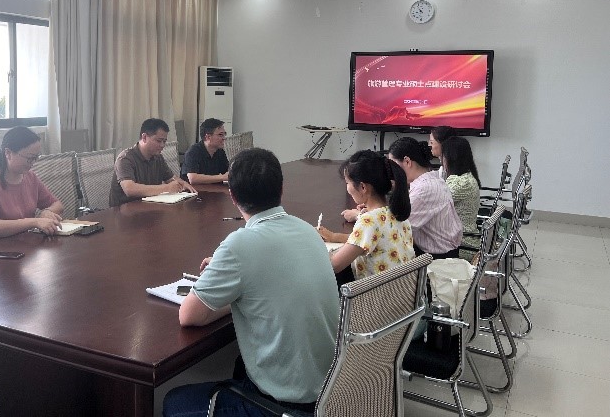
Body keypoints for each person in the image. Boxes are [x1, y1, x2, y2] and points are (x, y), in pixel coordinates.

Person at [162, 148, 339, 417]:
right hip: (330, 391)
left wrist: (233, 284)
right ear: (281, 189)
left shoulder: (239, 245)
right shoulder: (308, 231)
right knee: (237, 364)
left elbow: (189, 315)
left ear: (232, 196)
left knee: (174, 402)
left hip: (285, 405)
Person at [317, 150, 415, 278]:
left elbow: (333, 266)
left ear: (363, 187)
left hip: (376, 290)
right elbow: (368, 240)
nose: (347, 188)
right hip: (402, 288)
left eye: (347, 183)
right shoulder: (397, 212)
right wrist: (334, 237)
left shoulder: (368, 221)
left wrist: (312, 245)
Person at [0, 126, 64, 237]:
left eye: (35, 157)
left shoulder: (30, 177)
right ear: (8, 153)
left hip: (24, 240)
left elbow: (57, 205)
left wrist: (48, 211)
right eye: (29, 158)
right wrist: (34, 222)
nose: (33, 163)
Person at [388, 137, 462, 259]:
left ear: (407, 162)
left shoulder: (424, 190)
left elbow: (394, 227)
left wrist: (360, 215)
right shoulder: (432, 179)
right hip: (442, 252)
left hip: (435, 261)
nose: (392, 172)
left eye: (393, 166)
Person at [109, 118, 195, 207]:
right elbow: (129, 189)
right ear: (144, 137)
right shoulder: (125, 158)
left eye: (164, 141)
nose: (162, 145)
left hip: (150, 207)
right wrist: (167, 188)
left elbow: (171, 178)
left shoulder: (158, 157)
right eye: (159, 141)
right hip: (124, 210)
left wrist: (182, 184)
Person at [441, 136, 482, 259]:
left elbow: (435, 204)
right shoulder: (467, 177)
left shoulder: (460, 183)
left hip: (462, 245)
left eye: (443, 156)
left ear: (450, 158)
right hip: (466, 237)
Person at [180, 118, 229, 184]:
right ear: (208, 137)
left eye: (224, 134)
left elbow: (227, 172)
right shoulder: (193, 152)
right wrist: (222, 177)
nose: (224, 138)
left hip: (213, 188)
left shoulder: (220, 152)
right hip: (194, 189)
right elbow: (192, 178)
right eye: (220, 135)